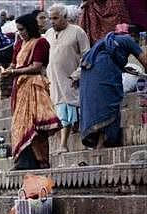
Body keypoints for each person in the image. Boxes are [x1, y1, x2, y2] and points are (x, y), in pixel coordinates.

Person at [2, 14, 60, 170]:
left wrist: (14, 71)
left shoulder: (40, 42)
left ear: (29, 27)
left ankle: (40, 161)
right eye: (18, 30)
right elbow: (14, 64)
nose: (20, 33)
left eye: (22, 29)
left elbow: (36, 66)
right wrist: (6, 71)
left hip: (34, 86)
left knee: (35, 124)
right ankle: (23, 161)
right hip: (20, 88)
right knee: (19, 124)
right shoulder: (19, 44)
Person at [80, 25, 147, 148]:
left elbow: (109, 58)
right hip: (104, 73)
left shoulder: (105, 42)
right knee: (110, 106)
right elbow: (145, 60)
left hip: (88, 75)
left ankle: (99, 144)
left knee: (99, 108)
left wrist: (124, 69)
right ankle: (103, 143)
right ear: (134, 37)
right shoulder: (129, 40)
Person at [46, 4, 91, 153]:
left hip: (71, 79)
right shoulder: (48, 34)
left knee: (69, 109)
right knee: (59, 111)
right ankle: (62, 144)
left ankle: (64, 145)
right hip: (53, 80)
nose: (52, 21)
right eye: (50, 18)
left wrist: (77, 74)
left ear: (65, 17)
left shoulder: (78, 32)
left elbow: (87, 55)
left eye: (56, 18)